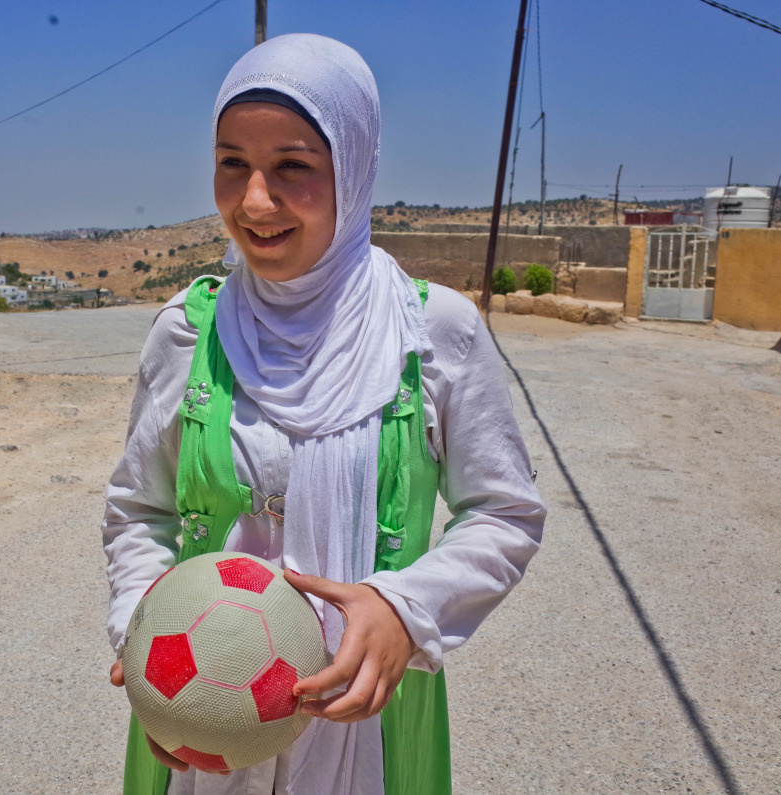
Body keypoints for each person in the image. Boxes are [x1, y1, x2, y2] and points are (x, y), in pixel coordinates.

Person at [102, 33, 545, 795]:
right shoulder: (189, 331)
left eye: (294, 167)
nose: (255, 202)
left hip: (368, 731)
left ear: (356, 166)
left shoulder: (431, 332)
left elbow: (505, 511)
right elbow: (137, 511)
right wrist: (148, 633)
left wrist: (405, 610)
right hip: (202, 730)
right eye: (231, 162)